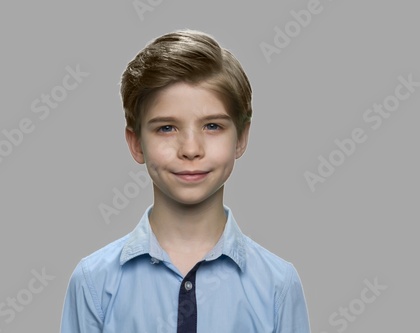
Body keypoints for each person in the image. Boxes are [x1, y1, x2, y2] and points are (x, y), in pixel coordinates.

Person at [60, 29, 311, 333]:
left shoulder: (278, 285)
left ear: (241, 138)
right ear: (136, 142)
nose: (191, 150)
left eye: (213, 126)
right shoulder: (94, 282)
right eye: (166, 128)